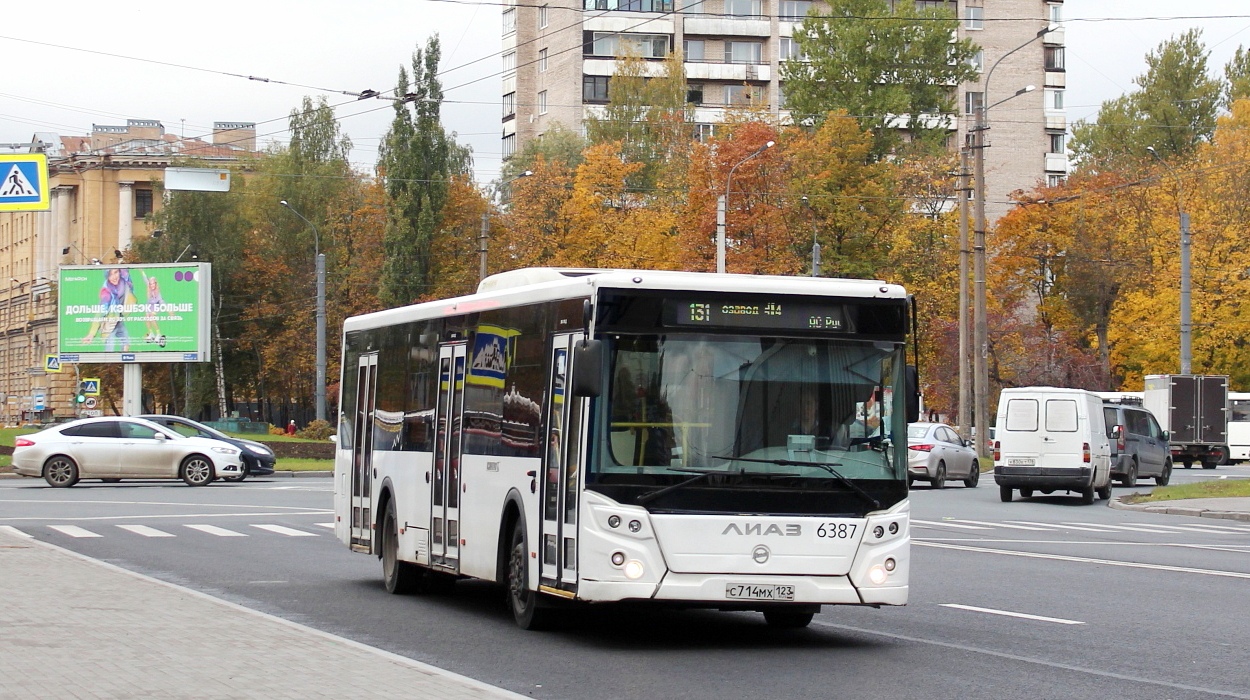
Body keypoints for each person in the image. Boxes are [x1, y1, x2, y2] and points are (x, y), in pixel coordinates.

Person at [82, 267, 135, 352]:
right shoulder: (107, 292)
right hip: (110, 324)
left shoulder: (125, 282)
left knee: (126, 344)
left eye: (116, 272)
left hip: (119, 320)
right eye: (110, 275)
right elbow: (100, 312)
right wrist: (91, 333)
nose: (114, 277)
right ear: (107, 277)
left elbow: (126, 272)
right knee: (109, 351)